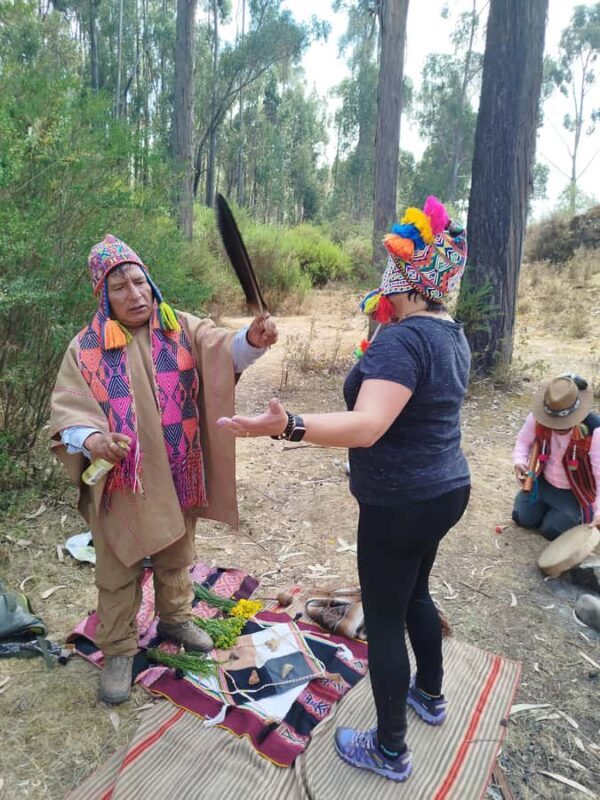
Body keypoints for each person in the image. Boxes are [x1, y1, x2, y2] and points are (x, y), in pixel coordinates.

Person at [217, 197, 470, 783]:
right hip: (445, 491)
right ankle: (430, 696)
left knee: (383, 617)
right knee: (416, 593)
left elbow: (368, 425)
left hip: (399, 502)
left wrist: (287, 425)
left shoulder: (402, 342)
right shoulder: (450, 335)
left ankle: (389, 749)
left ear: (405, 276)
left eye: (391, 265)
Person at [50, 234, 277, 704]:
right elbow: (69, 411)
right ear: (103, 297)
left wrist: (252, 341)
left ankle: (175, 620)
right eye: (119, 288)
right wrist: (94, 441)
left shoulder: (181, 328)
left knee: (177, 552)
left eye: (139, 282)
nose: (135, 294)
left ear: (150, 282)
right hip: (122, 482)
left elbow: (224, 351)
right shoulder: (86, 349)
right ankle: (119, 648)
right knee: (118, 566)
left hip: (176, 470)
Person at [512, 373, 600, 540]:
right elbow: (523, 442)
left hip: (574, 492)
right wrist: (519, 461)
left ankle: (576, 513)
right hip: (544, 483)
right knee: (522, 518)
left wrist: (599, 511)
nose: (556, 426)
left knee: (552, 531)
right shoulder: (537, 418)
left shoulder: (595, 431)